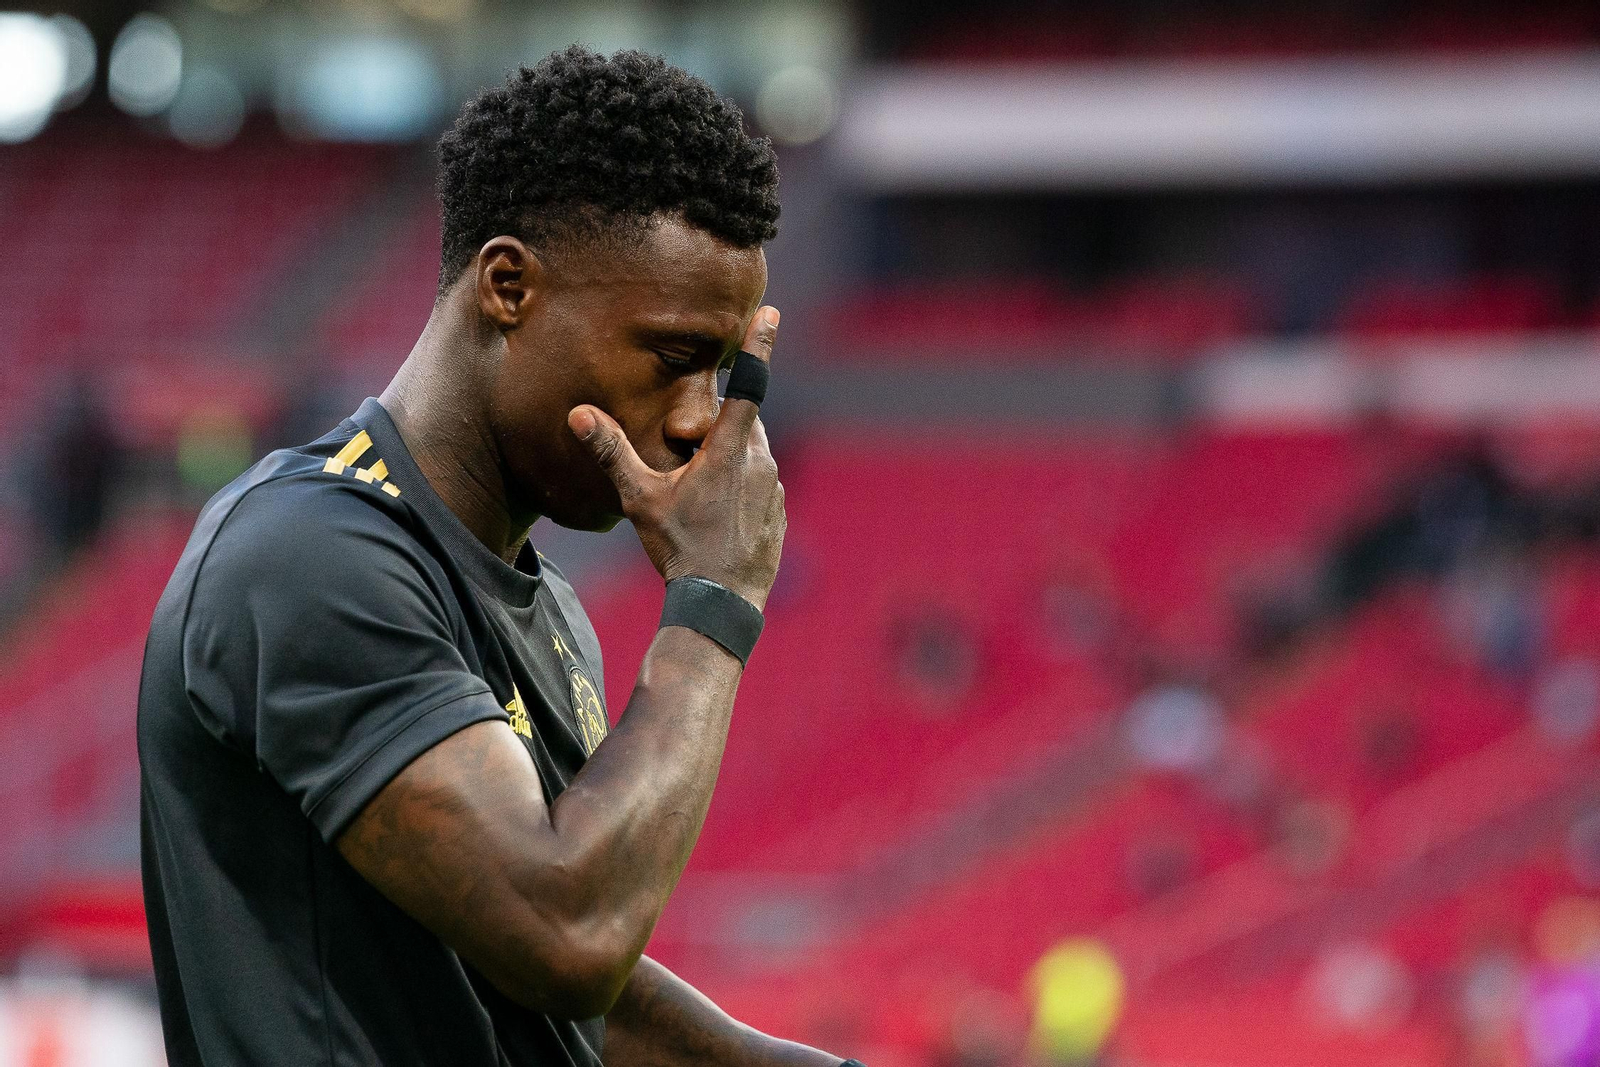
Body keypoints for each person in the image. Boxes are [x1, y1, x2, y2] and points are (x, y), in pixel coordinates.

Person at [138, 47, 862, 1067]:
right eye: (671, 358)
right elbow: (566, 932)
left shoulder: (545, 606)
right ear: (509, 285)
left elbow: (571, 1005)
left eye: (724, 370)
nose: (703, 420)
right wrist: (712, 602)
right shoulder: (306, 556)